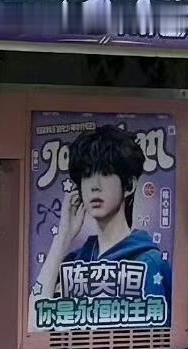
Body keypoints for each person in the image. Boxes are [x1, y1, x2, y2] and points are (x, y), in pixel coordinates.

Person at [32, 122, 173, 317]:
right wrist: (63, 237)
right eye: (87, 175)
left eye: (105, 174)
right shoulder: (73, 263)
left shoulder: (149, 263)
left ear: (129, 185)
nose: (94, 186)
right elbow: (34, 321)